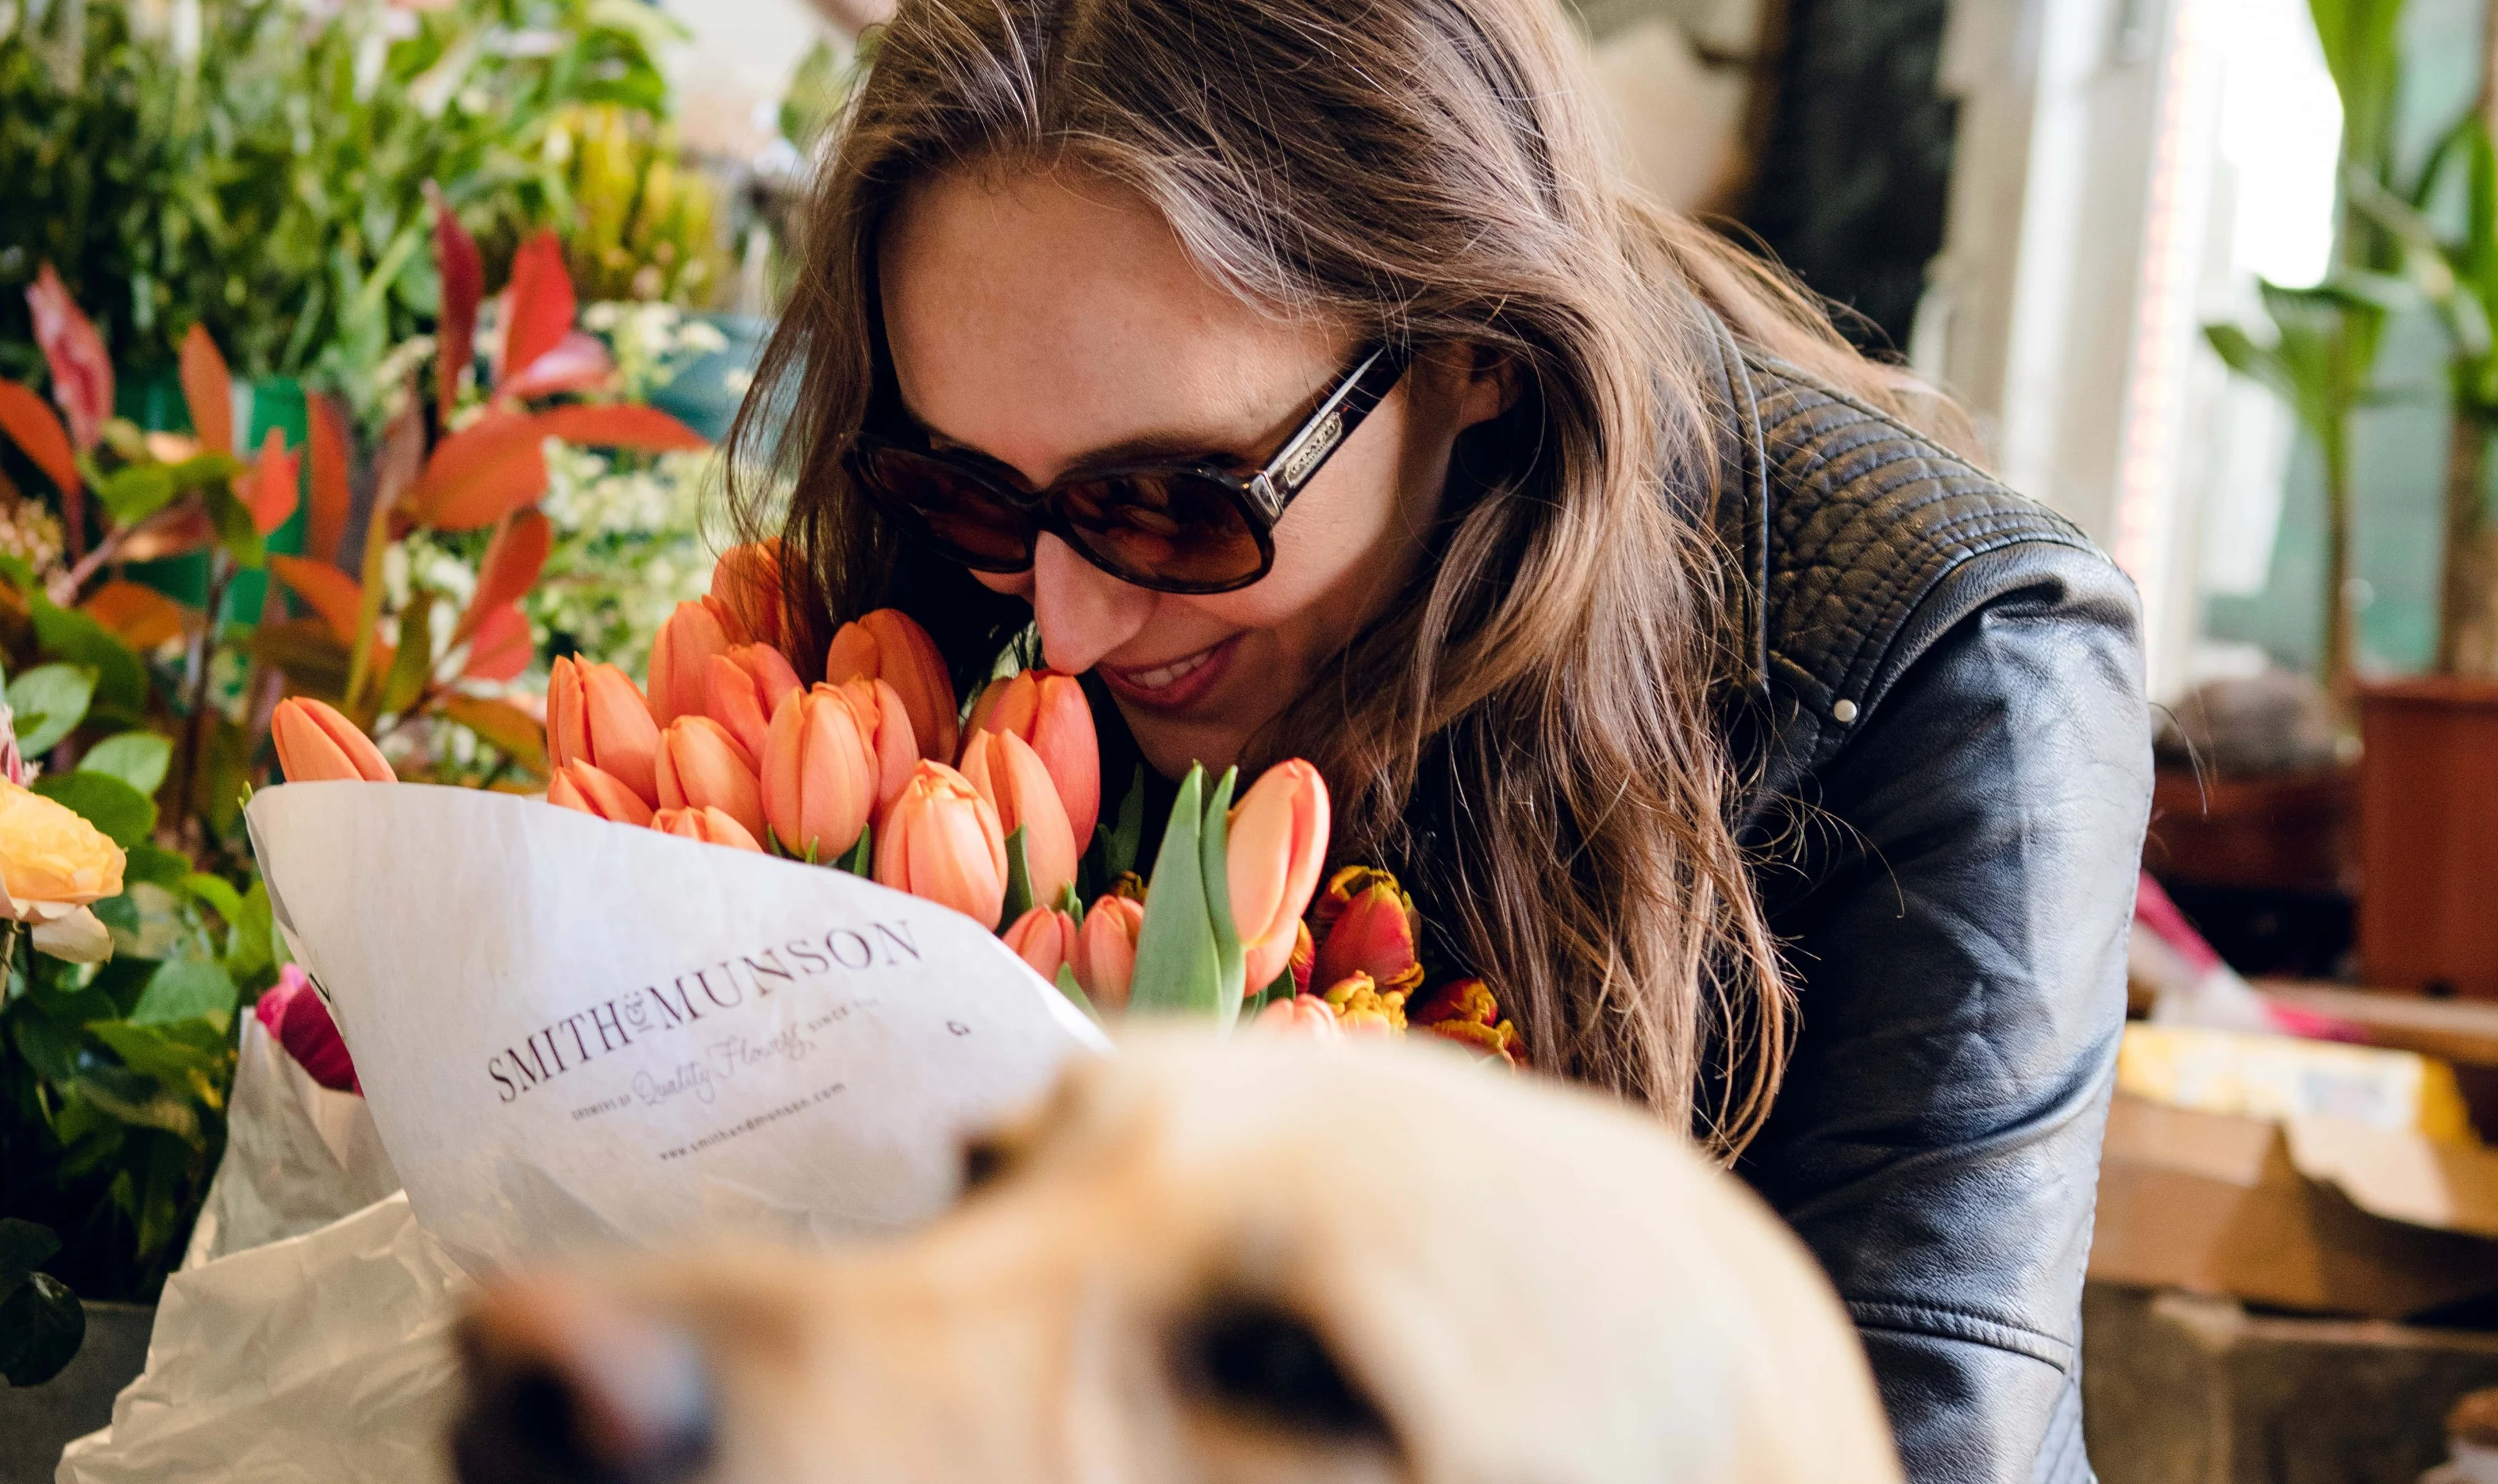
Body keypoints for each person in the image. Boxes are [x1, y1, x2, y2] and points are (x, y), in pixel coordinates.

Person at [728, 0, 2150, 1478]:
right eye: (962, 492)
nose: (1068, 631)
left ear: (1478, 353)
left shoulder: (1961, 661)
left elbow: (1913, 1445)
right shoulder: (981, 596)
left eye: (1177, 502)